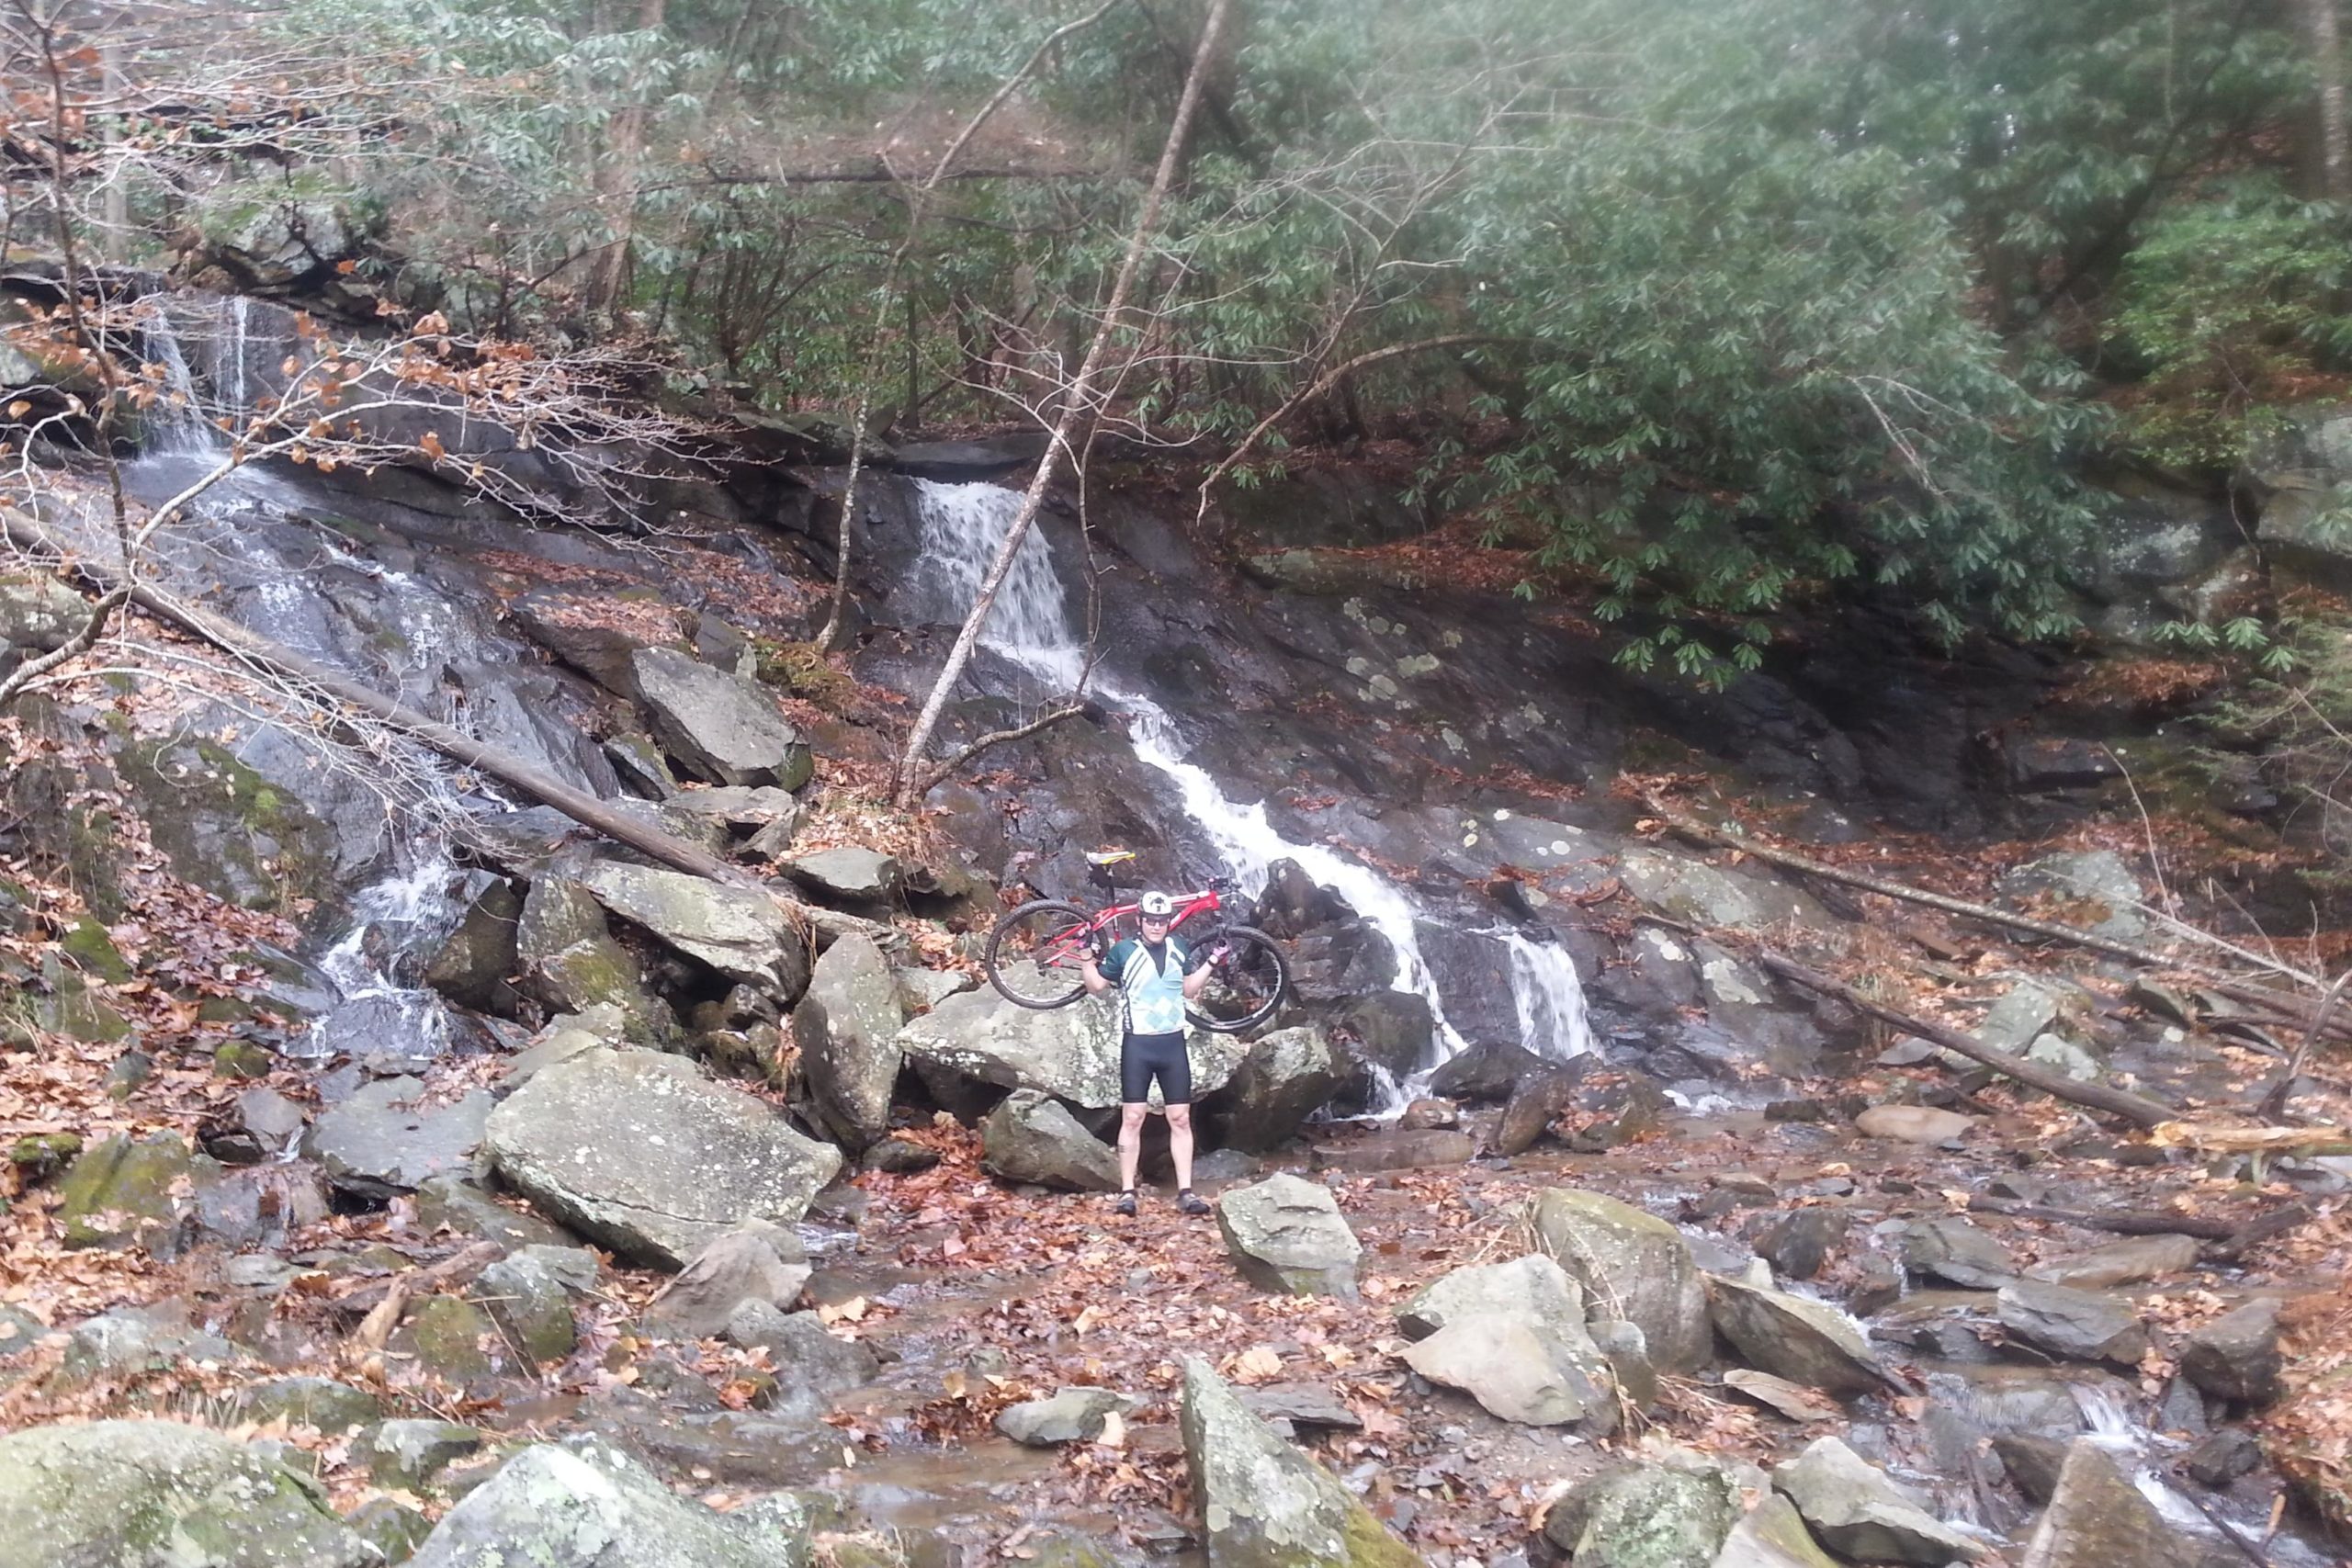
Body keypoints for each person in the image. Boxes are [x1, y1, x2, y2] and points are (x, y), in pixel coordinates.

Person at [1082, 890, 1215, 1217]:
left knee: (1180, 1118)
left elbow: (1188, 989)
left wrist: (1213, 962)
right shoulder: (1124, 951)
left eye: (1162, 921)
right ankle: (1127, 1193)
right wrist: (1086, 957)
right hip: (1138, 1044)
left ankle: (1186, 1192)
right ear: (1139, 920)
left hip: (1173, 1043)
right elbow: (1097, 987)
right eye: (1151, 920)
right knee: (1133, 1117)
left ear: (1168, 922)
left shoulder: (1179, 947)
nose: (1157, 926)